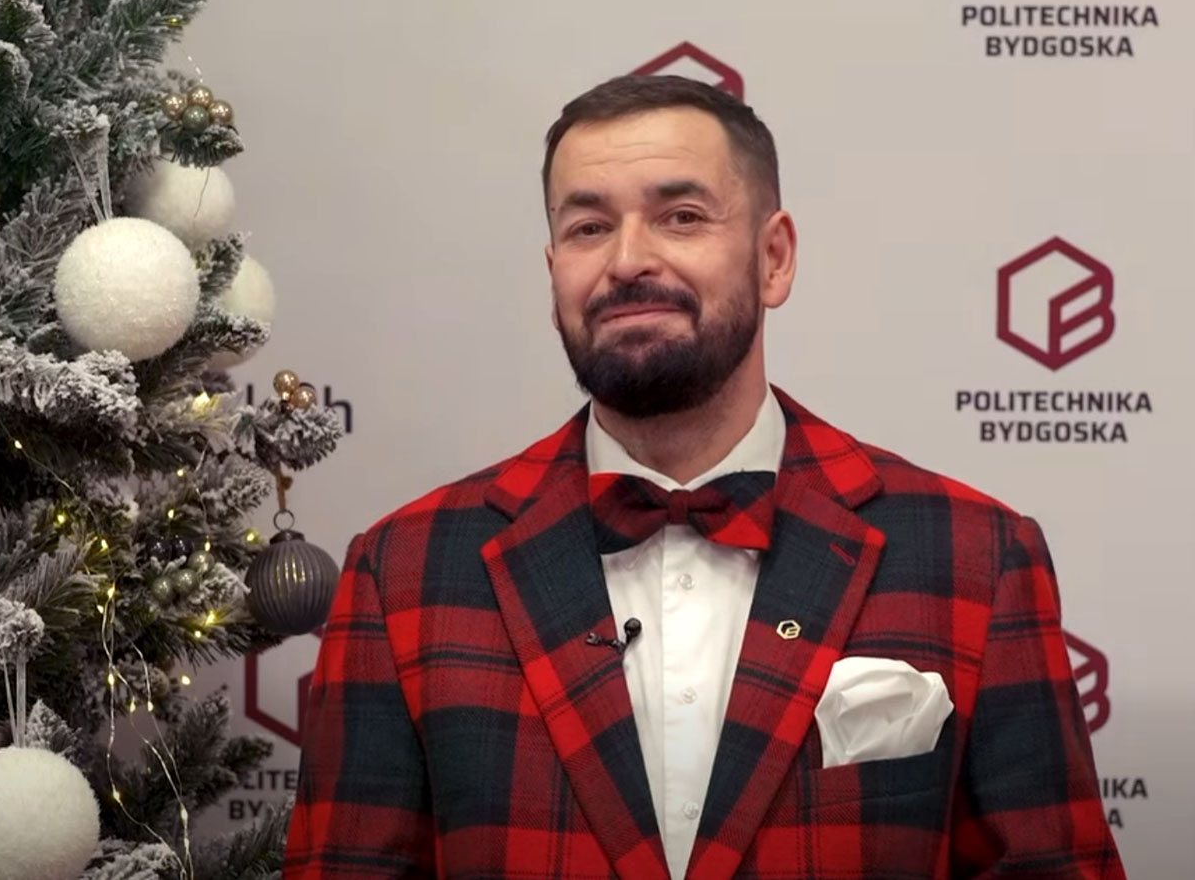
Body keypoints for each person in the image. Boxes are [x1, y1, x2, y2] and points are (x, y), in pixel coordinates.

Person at [284, 75, 1124, 880]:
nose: (627, 261)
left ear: (774, 258)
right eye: (588, 228)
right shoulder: (405, 571)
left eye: (680, 217)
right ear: (553, 273)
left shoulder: (973, 557)